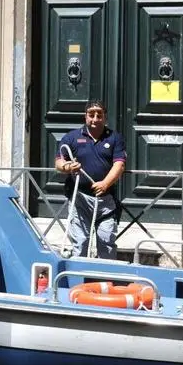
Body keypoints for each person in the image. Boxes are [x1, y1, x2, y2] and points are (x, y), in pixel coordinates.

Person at [55, 99, 126, 259]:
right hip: (79, 199)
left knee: (106, 242)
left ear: (105, 117)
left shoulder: (115, 138)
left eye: (99, 115)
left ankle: (105, 281)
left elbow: (120, 165)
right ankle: (78, 280)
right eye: (91, 115)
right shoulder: (71, 138)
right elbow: (59, 162)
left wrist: (105, 184)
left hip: (106, 201)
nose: (95, 119)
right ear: (85, 117)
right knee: (80, 242)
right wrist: (68, 167)